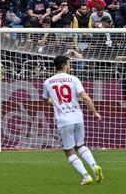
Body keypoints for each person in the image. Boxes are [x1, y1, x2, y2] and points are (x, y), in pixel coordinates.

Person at [43, 54, 102, 185]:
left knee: (68, 150)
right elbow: (85, 97)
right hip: (78, 117)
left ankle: (86, 176)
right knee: (80, 145)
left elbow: (46, 101)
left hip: (64, 120)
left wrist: (57, 102)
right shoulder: (74, 79)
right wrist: (95, 112)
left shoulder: (47, 82)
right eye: (68, 64)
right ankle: (94, 166)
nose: (70, 67)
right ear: (64, 65)